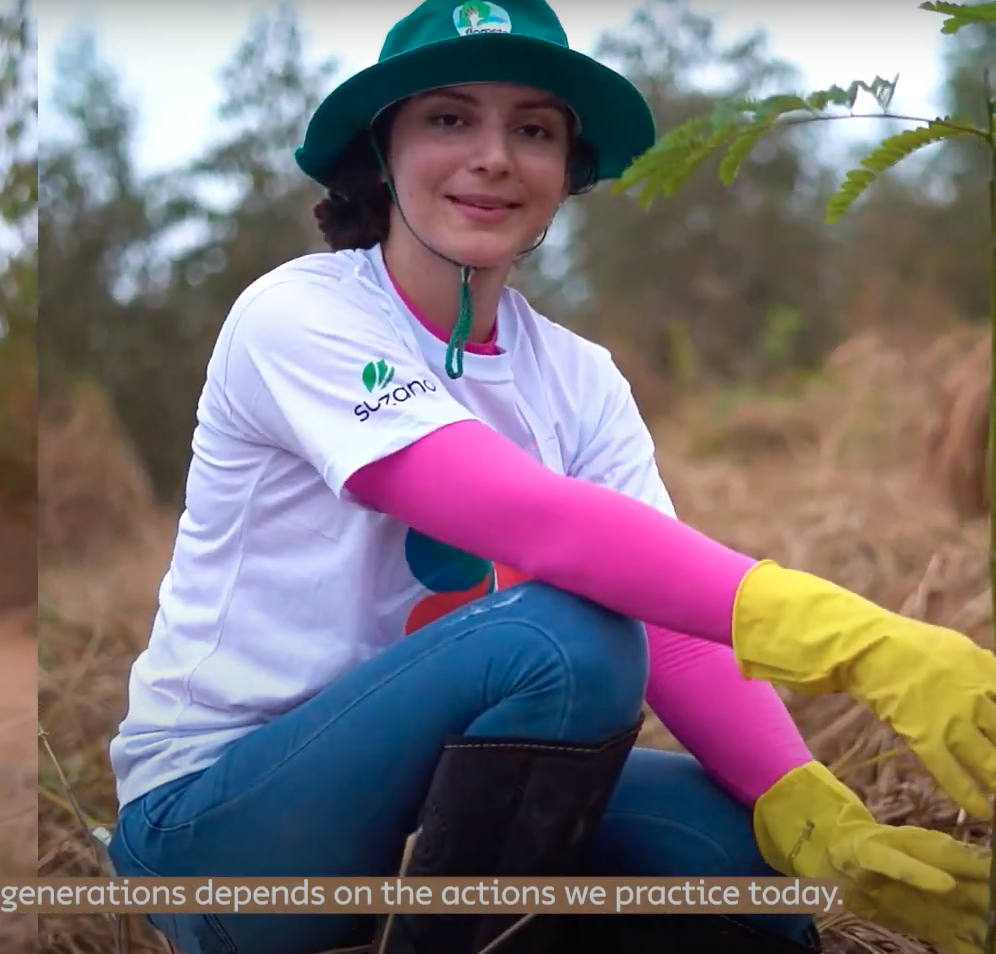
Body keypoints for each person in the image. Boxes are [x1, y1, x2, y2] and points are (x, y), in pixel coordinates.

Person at [103, 1, 996, 953]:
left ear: (568, 169)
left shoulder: (578, 377)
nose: (493, 157)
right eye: (449, 118)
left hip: (429, 796)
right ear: (382, 152)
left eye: (532, 130)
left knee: (741, 862)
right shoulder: (296, 315)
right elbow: (527, 517)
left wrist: (809, 808)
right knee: (564, 640)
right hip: (216, 825)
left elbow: (666, 624)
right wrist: (863, 643)